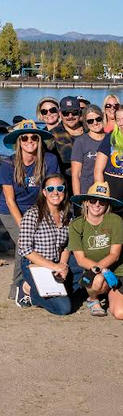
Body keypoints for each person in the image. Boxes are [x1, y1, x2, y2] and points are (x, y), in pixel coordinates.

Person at [1, 120, 59, 299]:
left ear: (40, 140)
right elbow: (10, 200)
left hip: (37, 208)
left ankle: (44, 282)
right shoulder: (8, 164)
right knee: (23, 242)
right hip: (9, 210)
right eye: (24, 137)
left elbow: (52, 190)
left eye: (34, 137)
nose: (29, 140)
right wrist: (25, 227)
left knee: (46, 241)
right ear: (18, 142)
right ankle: (17, 287)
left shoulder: (50, 160)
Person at [68, 182, 123, 319]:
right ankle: (93, 299)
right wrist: (102, 270)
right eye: (93, 200)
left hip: (120, 271)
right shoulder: (76, 225)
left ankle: (113, 294)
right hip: (95, 272)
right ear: (86, 202)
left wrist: (103, 269)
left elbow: (115, 255)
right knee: (98, 280)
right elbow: (80, 260)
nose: (97, 204)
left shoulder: (115, 220)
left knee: (120, 314)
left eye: (102, 201)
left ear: (107, 205)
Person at [14, 174, 73, 315]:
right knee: (63, 308)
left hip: (55, 263)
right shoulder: (32, 215)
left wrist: (62, 266)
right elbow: (25, 249)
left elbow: (67, 245)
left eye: (60, 188)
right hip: (34, 265)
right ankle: (26, 289)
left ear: (64, 192)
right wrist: (54, 266)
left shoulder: (68, 216)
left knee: (75, 286)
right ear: (44, 192)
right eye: (51, 188)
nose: (55, 192)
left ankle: (37, 287)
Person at [71, 105, 108, 196]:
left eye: (98, 119)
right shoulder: (80, 142)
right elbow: (76, 174)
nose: (95, 123)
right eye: (90, 121)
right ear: (86, 123)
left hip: (108, 190)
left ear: (103, 117)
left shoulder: (111, 138)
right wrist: (77, 198)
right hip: (87, 191)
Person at [47, 96, 85, 175]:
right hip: (66, 181)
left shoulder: (89, 131)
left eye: (74, 112)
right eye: (66, 113)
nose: (70, 116)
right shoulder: (52, 135)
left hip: (90, 180)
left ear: (80, 112)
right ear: (60, 114)